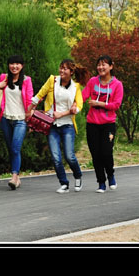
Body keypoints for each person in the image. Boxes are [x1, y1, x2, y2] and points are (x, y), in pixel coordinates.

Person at [28, 59, 88, 193]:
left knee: (69, 155)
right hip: (52, 125)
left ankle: (78, 176)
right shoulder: (52, 81)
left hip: (67, 125)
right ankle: (64, 183)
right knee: (55, 157)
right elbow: (39, 96)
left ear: (71, 72)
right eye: (61, 68)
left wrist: (67, 112)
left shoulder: (76, 87)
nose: (61, 71)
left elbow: (79, 105)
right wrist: (29, 112)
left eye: (65, 69)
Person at [0, 54, 33, 190]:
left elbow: (31, 100)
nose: (15, 66)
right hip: (5, 118)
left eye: (18, 64)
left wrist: (30, 119)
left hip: (20, 119)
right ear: (8, 65)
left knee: (15, 147)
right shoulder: (4, 78)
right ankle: (17, 177)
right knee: (11, 149)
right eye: (12, 64)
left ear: (22, 66)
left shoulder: (27, 80)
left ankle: (14, 176)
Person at [82, 55, 123, 193]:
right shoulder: (93, 82)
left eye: (104, 64)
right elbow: (82, 96)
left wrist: (99, 103)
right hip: (92, 123)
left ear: (111, 66)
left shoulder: (117, 85)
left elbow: (116, 105)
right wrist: (73, 104)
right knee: (95, 154)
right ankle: (101, 182)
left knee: (106, 152)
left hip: (108, 124)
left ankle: (110, 175)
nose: (100, 67)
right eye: (99, 65)